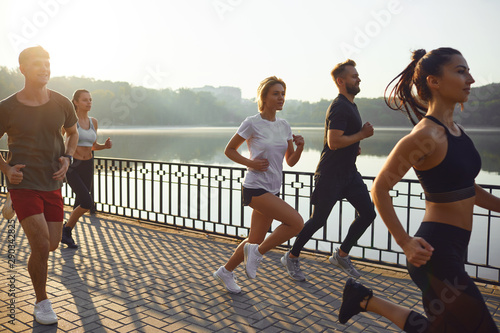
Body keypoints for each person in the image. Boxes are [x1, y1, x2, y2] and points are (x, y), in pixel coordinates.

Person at [339, 48, 500, 332]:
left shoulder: (457, 131)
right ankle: (363, 299)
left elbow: (468, 189)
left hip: (454, 248)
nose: (471, 79)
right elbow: (380, 188)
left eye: (468, 71)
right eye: (461, 71)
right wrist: (404, 241)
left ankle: (364, 300)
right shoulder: (424, 136)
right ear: (434, 81)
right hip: (433, 254)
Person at [0, 46, 78, 325]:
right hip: (24, 183)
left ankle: (11, 205)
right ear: (22, 69)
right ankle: (42, 302)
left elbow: (72, 132)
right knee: (42, 245)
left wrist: (68, 158)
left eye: (47, 63)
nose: (44, 68)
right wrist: (7, 169)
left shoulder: (61, 103)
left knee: (54, 243)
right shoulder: (7, 107)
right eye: (37, 64)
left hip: (52, 182)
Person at [280, 59, 376, 282]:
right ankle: (291, 256)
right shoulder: (340, 106)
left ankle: (341, 255)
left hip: (349, 173)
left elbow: (341, 140)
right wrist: (361, 135)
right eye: (354, 76)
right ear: (341, 81)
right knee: (318, 220)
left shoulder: (351, 105)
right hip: (330, 174)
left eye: (358, 75)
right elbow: (333, 142)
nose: (359, 78)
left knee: (368, 213)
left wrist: (354, 146)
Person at [212, 76, 305, 293]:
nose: (281, 97)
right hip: (254, 188)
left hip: (272, 188)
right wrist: (251, 163)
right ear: (264, 97)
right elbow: (230, 150)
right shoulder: (252, 122)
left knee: (254, 238)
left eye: (283, 93)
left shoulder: (284, 125)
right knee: (296, 223)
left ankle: (225, 271)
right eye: (276, 93)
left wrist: (300, 147)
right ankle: (258, 253)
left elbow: (290, 161)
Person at [61, 89, 112, 248]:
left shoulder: (93, 122)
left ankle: (67, 232)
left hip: (88, 165)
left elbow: (93, 146)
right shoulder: (70, 121)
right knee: (86, 201)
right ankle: (66, 230)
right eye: (85, 100)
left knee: (79, 201)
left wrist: (105, 146)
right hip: (73, 166)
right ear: (75, 102)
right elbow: (57, 141)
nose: (89, 102)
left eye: (90, 99)